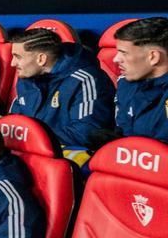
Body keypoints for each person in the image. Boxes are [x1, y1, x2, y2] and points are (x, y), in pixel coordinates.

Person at [9, 28, 116, 157]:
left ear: (41, 59)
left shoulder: (86, 79)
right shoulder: (26, 78)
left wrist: (33, 136)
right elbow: (16, 119)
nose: (12, 63)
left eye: (18, 57)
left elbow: (87, 132)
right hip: (33, 151)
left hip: (69, 155)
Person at [113, 17, 168, 142]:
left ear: (153, 57)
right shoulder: (125, 84)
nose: (115, 59)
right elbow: (123, 130)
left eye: (124, 52)